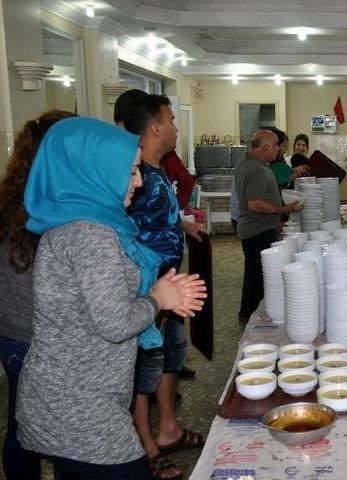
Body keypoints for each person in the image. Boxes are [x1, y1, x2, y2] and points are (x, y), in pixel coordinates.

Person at [16, 116, 206, 480]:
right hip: (81, 409)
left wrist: (160, 294)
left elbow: (95, 302)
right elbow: (115, 322)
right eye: (132, 171)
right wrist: (157, 299)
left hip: (66, 399)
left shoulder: (73, 222)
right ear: (95, 170)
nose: (137, 181)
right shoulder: (92, 235)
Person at [122, 94, 206, 479]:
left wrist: (183, 225)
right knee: (143, 366)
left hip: (170, 285)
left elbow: (157, 220)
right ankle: (147, 444)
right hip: (147, 291)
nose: (175, 127)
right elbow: (125, 237)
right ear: (154, 126)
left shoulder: (155, 171)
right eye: (171, 120)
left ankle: (168, 427)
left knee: (172, 353)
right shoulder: (132, 178)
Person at [0, 110, 75, 480]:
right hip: (44, 336)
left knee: (20, 425)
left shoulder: (10, 196)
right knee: (64, 431)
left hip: (11, 334)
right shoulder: (58, 201)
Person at [235, 130, 304, 323]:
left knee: (254, 273)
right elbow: (254, 203)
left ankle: (250, 312)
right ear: (265, 147)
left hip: (257, 228)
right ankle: (248, 314)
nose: (278, 149)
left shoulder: (249, 163)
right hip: (257, 230)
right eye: (275, 145)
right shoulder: (255, 169)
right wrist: (283, 208)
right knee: (256, 275)